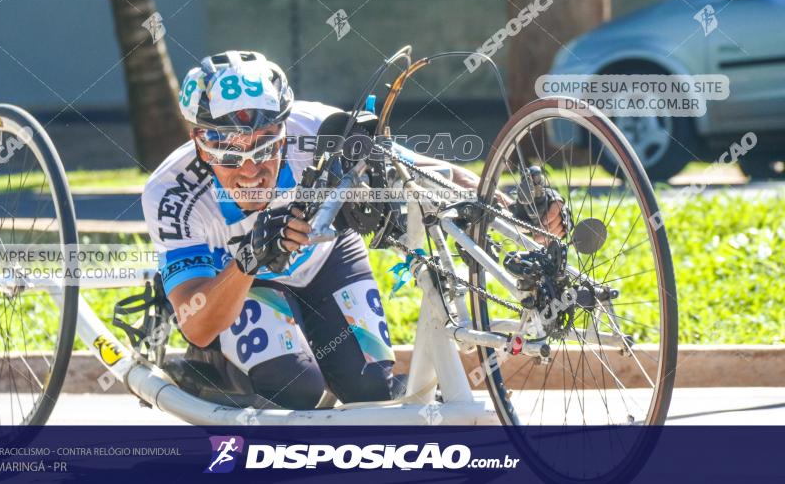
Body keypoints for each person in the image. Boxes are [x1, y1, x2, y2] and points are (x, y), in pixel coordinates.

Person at [141, 50, 566, 410]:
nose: (250, 169)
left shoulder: (318, 129)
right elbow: (196, 322)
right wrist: (249, 259)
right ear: (199, 141)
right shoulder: (170, 192)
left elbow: (427, 172)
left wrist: (516, 214)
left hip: (325, 260)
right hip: (237, 279)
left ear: (284, 130)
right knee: (297, 389)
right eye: (228, 152)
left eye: (266, 145)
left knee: (371, 390)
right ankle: (216, 368)